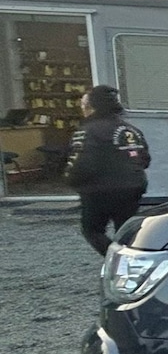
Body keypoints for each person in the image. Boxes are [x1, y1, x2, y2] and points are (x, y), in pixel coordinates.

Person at [65, 85, 151, 255]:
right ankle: (132, 259)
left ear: (91, 107)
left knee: (92, 230)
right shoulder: (131, 130)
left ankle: (117, 261)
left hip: (99, 189)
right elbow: (144, 159)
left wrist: (70, 179)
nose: (83, 109)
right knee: (126, 231)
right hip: (133, 186)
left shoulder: (86, 131)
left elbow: (81, 163)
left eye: (83, 106)